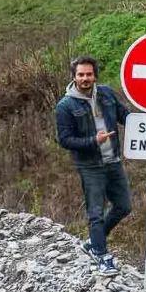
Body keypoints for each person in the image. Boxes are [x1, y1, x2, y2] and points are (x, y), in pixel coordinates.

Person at [55, 55, 132, 276]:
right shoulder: (65, 105)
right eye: (81, 75)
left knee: (124, 206)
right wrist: (93, 141)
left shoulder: (106, 93)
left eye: (89, 74)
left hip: (113, 160)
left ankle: (92, 242)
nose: (85, 78)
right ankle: (101, 254)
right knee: (95, 212)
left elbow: (124, 116)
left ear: (95, 75)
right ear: (74, 77)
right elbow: (65, 139)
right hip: (90, 165)